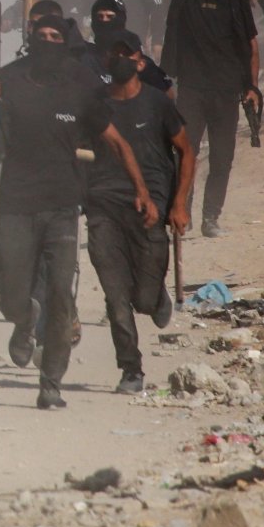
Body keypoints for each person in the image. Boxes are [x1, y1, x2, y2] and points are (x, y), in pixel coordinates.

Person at [0, 14, 154, 409]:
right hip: (16, 206)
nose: (47, 41)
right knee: (10, 296)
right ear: (30, 40)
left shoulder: (79, 86)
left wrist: (141, 190)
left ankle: (51, 382)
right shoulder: (10, 82)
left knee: (61, 295)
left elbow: (116, 142)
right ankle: (24, 320)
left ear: (66, 41)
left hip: (61, 206)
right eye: (40, 36)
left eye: (55, 36)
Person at [86, 30, 194, 394]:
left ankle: (157, 296)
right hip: (103, 204)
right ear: (104, 61)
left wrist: (178, 203)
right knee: (116, 295)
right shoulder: (94, 104)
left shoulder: (157, 103)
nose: (119, 59)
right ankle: (131, 369)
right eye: (112, 53)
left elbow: (187, 151)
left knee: (143, 300)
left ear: (140, 62)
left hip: (151, 206)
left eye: (126, 53)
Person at [144, 0, 259, 238]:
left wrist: (252, 86)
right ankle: (183, 211)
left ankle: (211, 218)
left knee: (222, 157)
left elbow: (251, 44)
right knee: (185, 153)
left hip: (226, 90)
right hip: (192, 89)